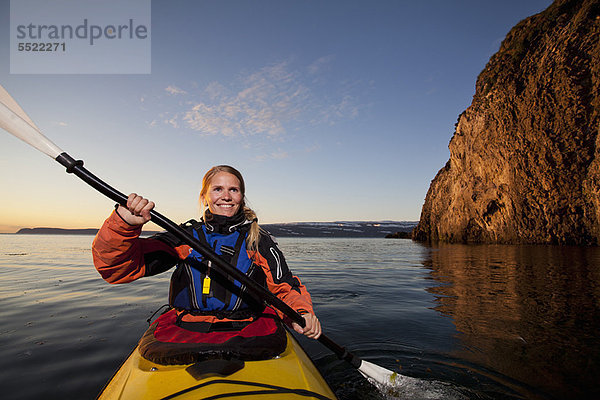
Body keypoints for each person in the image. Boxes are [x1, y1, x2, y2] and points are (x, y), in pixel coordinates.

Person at [92, 165, 321, 340]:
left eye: (234, 189)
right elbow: (117, 269)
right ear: (205, 196)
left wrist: (302, 313)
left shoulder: (258, 239)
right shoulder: (184, 236)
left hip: (246, 329)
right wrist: (123, 225)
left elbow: (285, 286)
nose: (227, 196)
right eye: (218, 189)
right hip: (186, 329)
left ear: (241, 197)